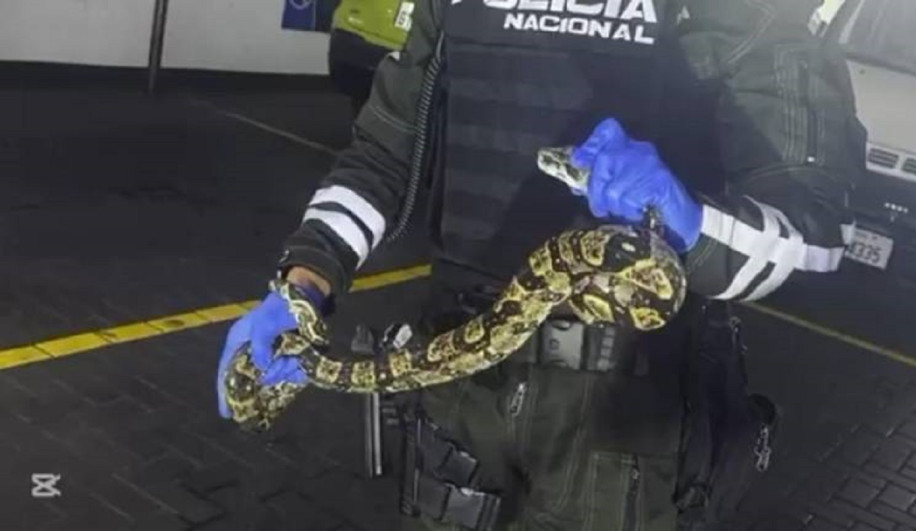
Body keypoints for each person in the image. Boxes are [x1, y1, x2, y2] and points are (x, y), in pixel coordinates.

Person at [216, 0, 865, 529]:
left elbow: (813, 238)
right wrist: (304, 280)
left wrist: (692, 223)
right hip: (458, 392)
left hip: (626, 417)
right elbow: (382, 154)